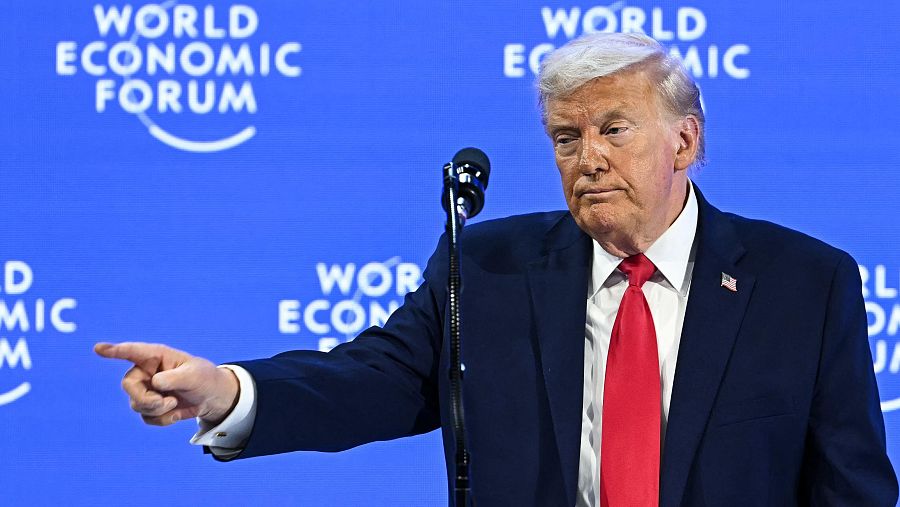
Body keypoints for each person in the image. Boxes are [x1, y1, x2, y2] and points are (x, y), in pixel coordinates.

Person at [95, 32, 898, 506]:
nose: (587, 159)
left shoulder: (804, 284)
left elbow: (852, 490)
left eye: (614, 129)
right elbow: (373, 380)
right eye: (565, 137)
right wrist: (229, 389)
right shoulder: (487, 267)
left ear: (685, 142)